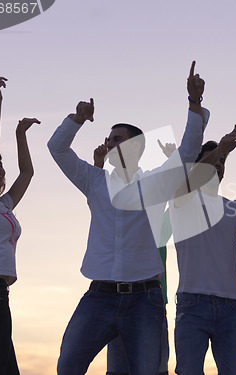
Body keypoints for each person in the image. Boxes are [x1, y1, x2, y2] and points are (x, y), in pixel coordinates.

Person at [48, 61, 209, 375]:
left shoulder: (154, 183)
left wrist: (194, 103)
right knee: (68, 366)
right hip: (98, 296)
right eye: (109, 139)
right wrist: (76, 120)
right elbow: (57, 148)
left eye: (118, 139)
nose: (110, 143)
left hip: (143, 300)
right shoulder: (93, 180)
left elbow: (189, 150)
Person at [170, 127, 236, 375]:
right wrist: (221, 149)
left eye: (223, 161)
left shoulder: (234, 208)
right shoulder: (181, 199)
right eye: (214, 159)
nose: (219, 164)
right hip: (192, 304)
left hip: (232, 308)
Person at [0, 68, 40, 375]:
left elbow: (26, 174)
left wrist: (20, 136)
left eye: (2, 165)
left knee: (4, 369)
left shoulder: (1, 205)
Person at [94, 141, 173, 375]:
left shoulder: (161, 223)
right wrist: (98, 166)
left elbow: (181, 192)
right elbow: (100, 201)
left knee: (155, 369)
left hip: (152, 301)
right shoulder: (118, 225)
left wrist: (176, 157)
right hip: (117, 298)